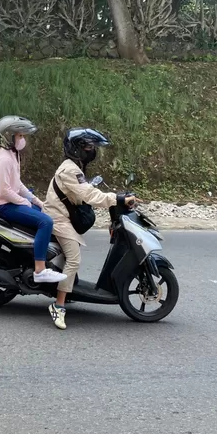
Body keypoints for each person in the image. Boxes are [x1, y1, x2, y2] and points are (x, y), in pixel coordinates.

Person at [44, 128, 137, 330]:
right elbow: (90, 195)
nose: (91, 151)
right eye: (88, 147)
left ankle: (66, 287)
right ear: (75, 148)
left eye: (92, 147)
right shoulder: (70, 170)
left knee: (70, 255)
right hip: (58, 218)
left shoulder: (75, 167)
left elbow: (86, 191)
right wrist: (118, 198)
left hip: (64, 216)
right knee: (74, 257)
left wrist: (114, 196)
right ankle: (58, 306)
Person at [0, 115, 67, 284]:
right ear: (9, 136)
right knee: (45, 222)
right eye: (20, 136)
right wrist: (25, 202)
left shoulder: (12, 155)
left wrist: (37, 202)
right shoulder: (4, 160)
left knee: (47, 213)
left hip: (8, 201)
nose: (23, 139)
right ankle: (40, 270)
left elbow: (18, 185)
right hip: (1, 205)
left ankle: (37, 257)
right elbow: (5, 191)